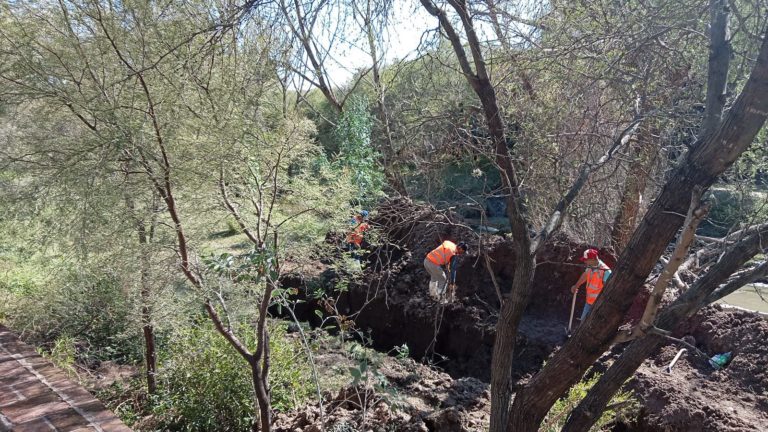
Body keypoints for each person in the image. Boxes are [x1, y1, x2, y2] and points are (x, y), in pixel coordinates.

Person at [570, 248, 612, 321]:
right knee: (583, 322)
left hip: (598, 306)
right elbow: (585, 275)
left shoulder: (606, 271)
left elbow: (608, 291)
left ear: (592, 259)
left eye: (586, 260)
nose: (585, 262)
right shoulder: (590, 267)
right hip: (589, 302)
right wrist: (576, 286)